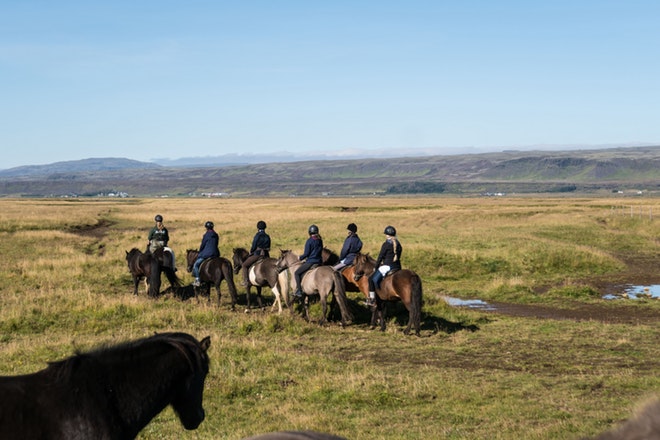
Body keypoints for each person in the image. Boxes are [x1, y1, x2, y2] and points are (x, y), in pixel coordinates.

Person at [367, 225, 402, 306]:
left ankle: (372, 299)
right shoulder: (398, 244)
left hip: (387, 266)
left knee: (371, 279)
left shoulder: (386, 244)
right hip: (397, 266)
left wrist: (376, 267)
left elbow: (380, 257)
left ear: (387, 235)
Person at [293, 224, 324, 298]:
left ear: (309, 232)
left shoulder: (309, 241)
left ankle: (299, 291)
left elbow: (306, 253)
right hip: (319, 262)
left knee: (296, 273)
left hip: (311, 262)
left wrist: (300, 257)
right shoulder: (320, 240)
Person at [240, 220, 271, 287]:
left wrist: (251, 251)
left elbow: (254, 245)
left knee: (244, 265)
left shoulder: (257, 235)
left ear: (258, 228)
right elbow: (269, 246)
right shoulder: (267, 236)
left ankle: (246, 281)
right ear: (265, 227)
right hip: (266, 255)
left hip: (258, 255)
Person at [192, 221, 220, 287]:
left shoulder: (206, 235)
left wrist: (200, 251)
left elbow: (203, 245)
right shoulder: (216, 235)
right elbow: (216, 244)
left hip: (207, 254)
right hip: (215, 253)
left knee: (196, 265)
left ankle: (198, 280)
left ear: (206, 228)